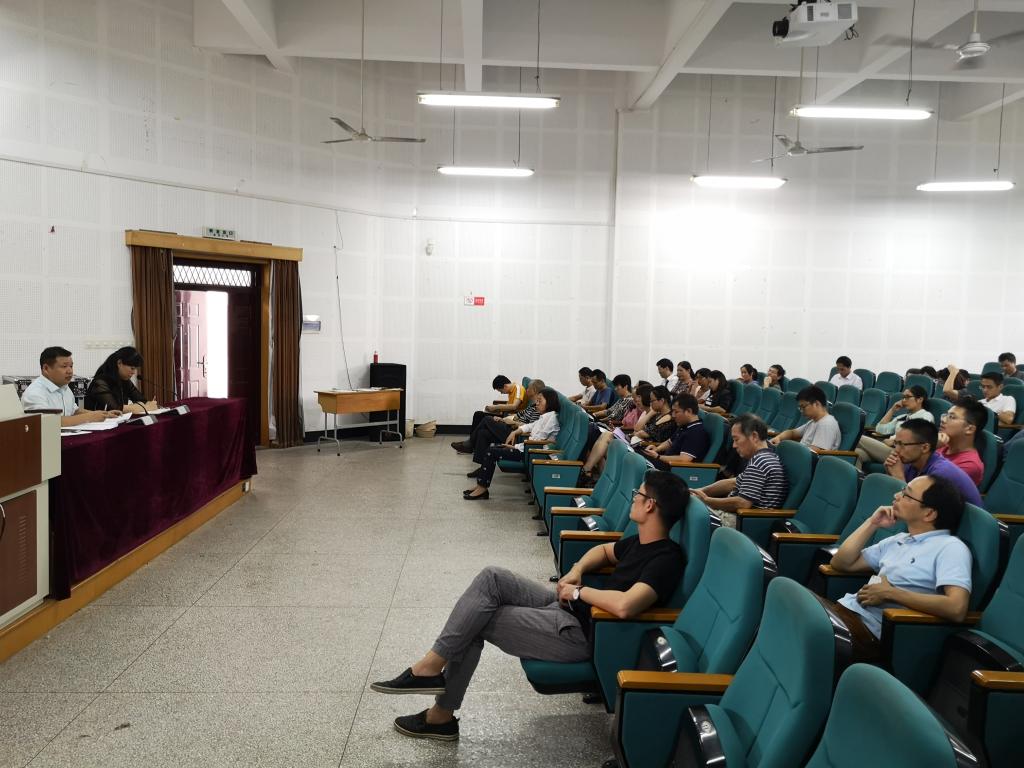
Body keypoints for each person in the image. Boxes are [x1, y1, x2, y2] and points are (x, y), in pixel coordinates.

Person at [370, 470, 689, 741]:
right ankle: (430, 669)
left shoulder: (666, 559)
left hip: (581, 633)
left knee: (476, 619)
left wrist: (579, 593)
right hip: (568, 609)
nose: (633, 498)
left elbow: (626, 606)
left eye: (638, 494)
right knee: (492, 577)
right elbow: (605, 551)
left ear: (650, 505)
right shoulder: (640, 542)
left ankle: (439, 711)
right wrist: (577, 570)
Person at [828, 475, 971, 657]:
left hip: (870, 632)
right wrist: (872, 523)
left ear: (929, 513)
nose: (896, 495)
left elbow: (956, 608)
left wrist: (891, 593)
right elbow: (841, 563)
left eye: (906, 495)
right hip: (845, 612)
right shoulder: (899, 539)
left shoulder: (951, 547)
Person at [464, 388, 561, 500]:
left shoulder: (551, 418)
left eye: (540, 401)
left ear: (550, 402)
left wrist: (515, 446)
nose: (536, 403)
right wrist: (514, 432)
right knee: (492, 447)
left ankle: (482, 488)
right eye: (537, 400)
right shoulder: (544, 417)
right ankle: (480, 486)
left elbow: (538, 440)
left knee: (492, 452)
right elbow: (529, 426)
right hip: (527, 449)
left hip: (533, 453)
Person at [692, 414, 789, 521]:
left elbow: (742, 503)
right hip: (736, 517)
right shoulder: (764, 458)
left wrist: (706, 500)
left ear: (754, 436)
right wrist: (698, 491)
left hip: (742, 521)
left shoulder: (760, 462)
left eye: (736, 439)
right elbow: (733, 483)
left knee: (692, 513)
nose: (734, 445)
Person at [883, 420, 983, 507]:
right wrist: (890, 473)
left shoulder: (941, 473)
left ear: (925, 448)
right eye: (896, 443)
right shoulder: (911, 462)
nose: (896, 450)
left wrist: (898, 477)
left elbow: (916, 509)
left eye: (902, 444)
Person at [20, 346, 120, 427]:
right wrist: (90, 417)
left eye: (71, 366)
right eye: (64, 366)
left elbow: (74, 411)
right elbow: (49, 423)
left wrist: (103, 414)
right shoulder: (35, 393)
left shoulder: (64, 387)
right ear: (46, 368)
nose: (70, 371)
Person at [461, 380, 545, 466]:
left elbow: (531, 427)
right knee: (483, 433)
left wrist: (513, 423)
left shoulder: (539, 409)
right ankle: (482, 466)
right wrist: (503, 419)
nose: (526, 390)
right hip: (511, 427)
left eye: (528, 388)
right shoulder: (532, 406)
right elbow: (517, 415)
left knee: (487, 419)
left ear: (534, 390)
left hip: (517, 435)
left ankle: (470, 444)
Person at [853, 385, 933, 468]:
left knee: (858, 438)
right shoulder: (902, 417)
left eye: (907, 397)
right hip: (889, 449)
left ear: (920, 399)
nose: (904, 400)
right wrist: (892, 410)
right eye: (903, 397)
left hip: (902, 452)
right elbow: (880, 429)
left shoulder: (925, 416)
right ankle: (858, 476)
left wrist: (894, 442)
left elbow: (918, 438)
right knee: (857, 453)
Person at [452, 375, 526, 453]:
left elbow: (514, 406)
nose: (501, 393)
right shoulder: (511, 391)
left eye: (500, 390)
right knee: (478, 414)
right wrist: (495, 410)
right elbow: (510, 406)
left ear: (505, 386)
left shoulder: (518, 388)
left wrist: (496, 407)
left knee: (485, 419)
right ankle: (471, 443)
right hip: (508, 415)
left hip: (511, 418)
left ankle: (470, 444)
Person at [642, 394, 711, 471]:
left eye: (676, 412)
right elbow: (669, 442)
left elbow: (684, 459)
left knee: (638, 462)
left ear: (689, 411)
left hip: (672, 470)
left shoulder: (696, 432)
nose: (673, 415)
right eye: (672, 411)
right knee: (637, 455)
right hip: (663, 463)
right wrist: (657, 449)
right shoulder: (684, 426)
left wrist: (658, 457)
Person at [83, 346, 156, 413]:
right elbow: (116, 409)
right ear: (119, 363)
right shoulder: (100, 382)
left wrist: (148, 404)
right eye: (132, 368)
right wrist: (144, 407)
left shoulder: (125, 380)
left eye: (135, 369)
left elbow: (142, 401)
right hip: (96, 422)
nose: (134, 372)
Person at [770, 385, 841, 452]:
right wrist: (778, 438)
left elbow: (814, 453)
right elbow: (792, 433)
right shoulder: (813, 421)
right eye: (800, 408)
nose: (801, 411)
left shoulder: (826, 424)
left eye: (803, 407)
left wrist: (784, 447)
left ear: (816, 404)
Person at [936, 399, 988, 488]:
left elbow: (928, 487)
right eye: (946, 415)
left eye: (951, 417)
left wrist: (931, 450)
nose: (943, 420)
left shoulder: (970, 465)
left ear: (969, 429)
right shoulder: (942, 443)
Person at [944, 366, 1016, 426]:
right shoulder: (979, 402)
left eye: (989, 387)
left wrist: (988, 412)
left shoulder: (1007, 399)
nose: (985, 390)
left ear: (1000, 387)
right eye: (983, 387)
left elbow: (1008, 419)